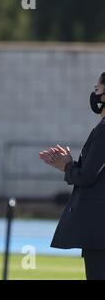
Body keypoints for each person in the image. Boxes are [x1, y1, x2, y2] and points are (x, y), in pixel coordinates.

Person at [39, 72, 105, 280]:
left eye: (97, 90)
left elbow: (87, 177)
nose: (94, 95)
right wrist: (70, 165)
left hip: (99, 230)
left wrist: (66, 167)